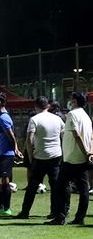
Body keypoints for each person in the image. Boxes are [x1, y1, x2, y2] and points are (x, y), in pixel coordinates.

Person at [46, 92, 92, 225]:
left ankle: (60, 216)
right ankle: (79, 217)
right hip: (82, 158)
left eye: (72, 100)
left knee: (60, 187)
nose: (70, 102)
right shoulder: (86, 116)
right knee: (83, 189)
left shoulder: (72, 114)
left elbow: (76, 135)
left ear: (75, 101)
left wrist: (86, 151)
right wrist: (89, 152)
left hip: (72, 157)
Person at [15, 96, 64, 219]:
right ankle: (55, 212)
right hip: (55, 155)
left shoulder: (34, 119)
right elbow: (64, 135)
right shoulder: (57, 119)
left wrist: (31, 157)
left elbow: (29, 139)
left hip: (40, 156)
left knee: (32, 187)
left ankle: (25, 212)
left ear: (35, 106)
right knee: (55, 187)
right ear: (48, 106)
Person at [0, 93, 23, 216]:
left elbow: (11, 135)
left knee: (4, 180)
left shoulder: (4, 117)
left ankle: (6, 208)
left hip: (5, 154)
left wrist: (15, 149)